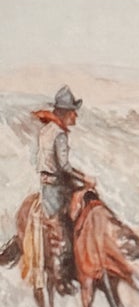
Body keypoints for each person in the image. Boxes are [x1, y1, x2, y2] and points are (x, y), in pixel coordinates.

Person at [31, 85, 86, 294]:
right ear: (64, 112)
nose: (75, 117)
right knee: (64, 227)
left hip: (47, 184)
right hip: (56, 187)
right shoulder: (60, 134)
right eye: (73, 112)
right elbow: (64, 167)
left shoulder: (46, 130)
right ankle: (62, 276)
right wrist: (84, 178)